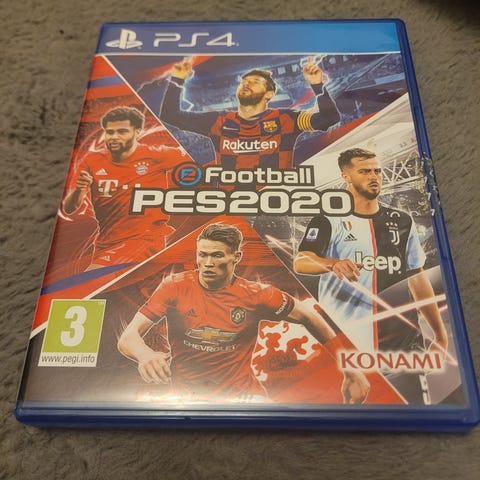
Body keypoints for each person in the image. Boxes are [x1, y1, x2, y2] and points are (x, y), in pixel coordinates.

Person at [118, 223, 370, 404]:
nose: (207, 263)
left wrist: (351, 370)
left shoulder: (257, 294)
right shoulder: (174, 286)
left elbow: (308, 316)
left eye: (217, 255)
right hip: (188, 398)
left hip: (245, 398)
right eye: (202, 255)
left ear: (236, 257)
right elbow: (128, 338)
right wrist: (145, 354)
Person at [294, 148, 448, 404]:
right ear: (346, 176)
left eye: (377, 171)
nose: (374, 176)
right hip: (349, 349)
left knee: (414, 417)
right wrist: (332, 264)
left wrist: (440, 335)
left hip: (402, 347)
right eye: (364, 171)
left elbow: (417, 278)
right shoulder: (327, 219)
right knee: (350, 420)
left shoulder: (403, 221)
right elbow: (301, 261)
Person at [159, 58, 340, 170]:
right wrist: (177, 80)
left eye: (255, 82)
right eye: (244, 81)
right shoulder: (218, 121)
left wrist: (317, 86)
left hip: (275, 202)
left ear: (269, 94)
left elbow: (329, 118)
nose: (246, 84)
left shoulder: (287, 119)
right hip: (231, 204)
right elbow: (170, 116)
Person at [63, 106, 186, 269]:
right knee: (93, 281)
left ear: (137, 132)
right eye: (110, 132)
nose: (114, 137)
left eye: (122, 132)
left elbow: (197, 157)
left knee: (92, 277)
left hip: (144, 240)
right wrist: (79, 190)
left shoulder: (156, 155)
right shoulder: (92, 160)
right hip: (105, 243)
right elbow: (69, 208)